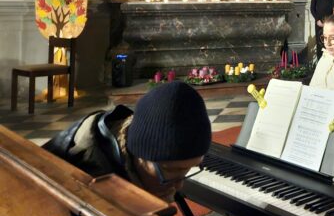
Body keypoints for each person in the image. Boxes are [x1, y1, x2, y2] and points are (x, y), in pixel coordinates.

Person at [44, 81, 211, 202]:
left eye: (189, 169)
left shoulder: (133, 153)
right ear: (139, 155)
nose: (179, 186)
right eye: (172, 170)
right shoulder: (86, 181)